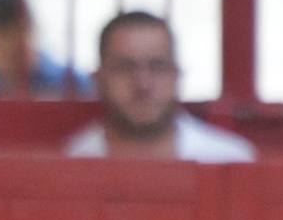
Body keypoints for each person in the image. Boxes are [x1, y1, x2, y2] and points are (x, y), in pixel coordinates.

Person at [63, 11, 255, 163]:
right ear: (98, 79)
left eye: (157, 67)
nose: (143, 84)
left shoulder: (227, 160)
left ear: (177, 75)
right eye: (125, 68)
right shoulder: (74, 160)